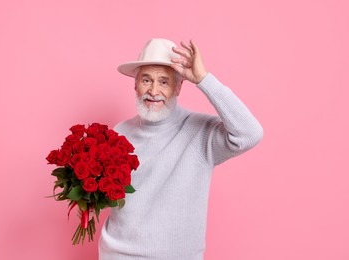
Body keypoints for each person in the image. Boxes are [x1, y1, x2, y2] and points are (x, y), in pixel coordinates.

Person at [99, 38, 263, 260]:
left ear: (178, 87)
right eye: (146, 80)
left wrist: (204, 80)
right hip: (116, 255)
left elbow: (249, 133)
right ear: (135, 84)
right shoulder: (120, 131)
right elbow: (111, 195)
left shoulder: (200, 132)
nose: (153, 91)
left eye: (164, 82)